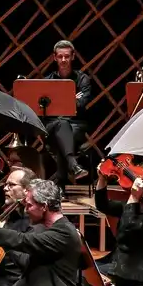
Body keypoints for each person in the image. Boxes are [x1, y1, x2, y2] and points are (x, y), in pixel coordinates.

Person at [92, 164, 143, 286]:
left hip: (137, 272)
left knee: (81, 276)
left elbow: (127, 230)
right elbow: (103, 205)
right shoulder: (136, 205)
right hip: (123, 263)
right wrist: (102, 179)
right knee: (83, 270)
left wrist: (134, 197)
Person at [41, 40, 94, 185]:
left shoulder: (83, 79)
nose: (63, 60)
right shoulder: (47, 81)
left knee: (61, 137)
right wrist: (71, 99)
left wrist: (58, 102)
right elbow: (42, 108)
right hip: (52, 124)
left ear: (73, 56)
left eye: (67, 56)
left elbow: (81, 104)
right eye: (60, 56)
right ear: (55, 58)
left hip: (76, 124)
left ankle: (60, 185)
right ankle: (73, 166)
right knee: (61, 127)